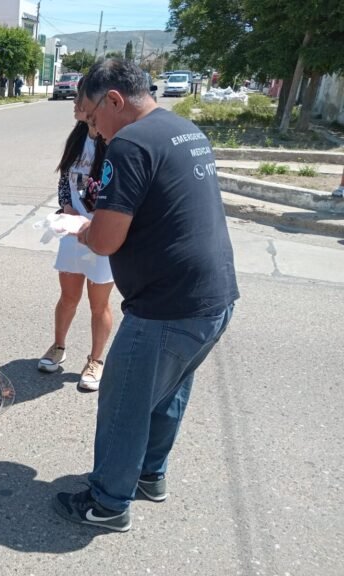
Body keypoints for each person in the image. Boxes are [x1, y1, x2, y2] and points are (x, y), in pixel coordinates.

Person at [52, 59, 239, 532]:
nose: (93, 133)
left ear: (113, 100)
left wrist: (83, 230)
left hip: (166, 305)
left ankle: (108, 503)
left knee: (124, 402)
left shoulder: (131, 143)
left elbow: (108, 239)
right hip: (213, 296)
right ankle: (150, 476)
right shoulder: (183, 128)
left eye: (92, 120)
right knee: (168, 392)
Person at [37, 78, 114, 392]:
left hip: (102, 235)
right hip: (71, 233)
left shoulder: (114, 141)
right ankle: (58, 346)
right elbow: (64, 179)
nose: (73, 104)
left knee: (100, 305)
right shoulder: (77, 137)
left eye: (79, 100)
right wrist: (66, 207)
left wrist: (96, 223)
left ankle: (96, 360)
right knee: (68, 297)